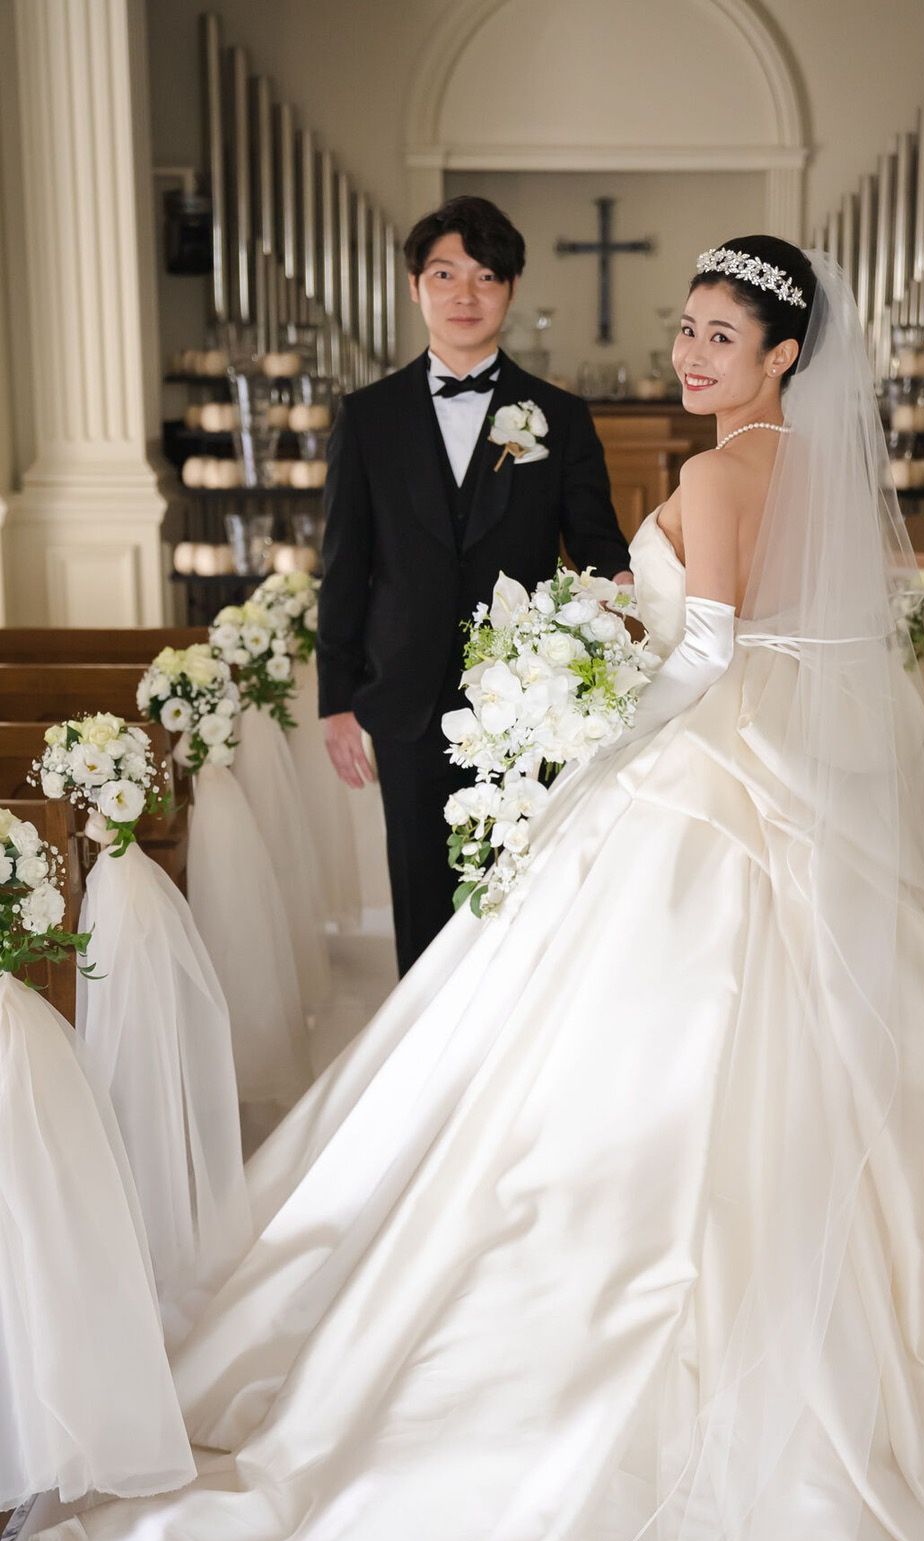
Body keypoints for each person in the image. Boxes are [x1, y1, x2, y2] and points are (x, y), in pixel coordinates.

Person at [30, 239, 924, 1541]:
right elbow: (774, 643)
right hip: (796, 815)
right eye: (686, 330)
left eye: (720, 336)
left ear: (784, 356)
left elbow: (702, 661)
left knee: (596, 1091)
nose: (691, 355)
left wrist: (578, 729)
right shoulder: (808, 475)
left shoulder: (716, 475)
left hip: (697, 809)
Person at [317, 195, 631, 971]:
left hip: (527, 702)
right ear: (414, 286)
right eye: (444, 274)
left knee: (521, 904)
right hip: (405, 697)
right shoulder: (367, 417)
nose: (465, 294)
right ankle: (425, 1043)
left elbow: (597, 550)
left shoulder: (559, 415)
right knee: (420, 894)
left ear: (511, 288)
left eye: (485, 276)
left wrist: (614, 628)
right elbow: (344, 563)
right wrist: (335, 699)